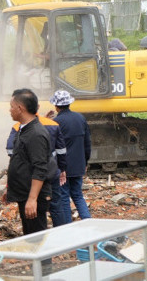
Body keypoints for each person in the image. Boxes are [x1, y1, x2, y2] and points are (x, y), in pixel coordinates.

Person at [6, 111, 67, 226]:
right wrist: (62, 168)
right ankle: (62, 236)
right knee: (56, 206)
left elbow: (10, 149)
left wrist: (21, 162)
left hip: (32, 177)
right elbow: (61, 150)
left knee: (35, 215)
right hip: (52, 172)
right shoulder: (52, 124)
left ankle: (38, 238)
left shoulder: (18, 127)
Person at [6, 88, 51, 235]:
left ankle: (42, 260)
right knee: (30, 237)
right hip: (24, 194)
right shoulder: (24, 129)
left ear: (20, 108)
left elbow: (40, 168)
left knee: (37, 238)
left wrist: (32, 199)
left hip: (32, 197)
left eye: (12, 107)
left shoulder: (36, 134)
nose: (10, 110)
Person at [51, 90, 92, 221]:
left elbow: (53, 147)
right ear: (69, 103)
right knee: (78, 195)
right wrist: (85, 162)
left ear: (56, 106)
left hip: (63, 167)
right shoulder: (80, 118)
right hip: (79, 165)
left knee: (64, 197)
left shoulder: (56, 122)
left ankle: (68, 226)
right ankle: (88, 222)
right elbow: (87, 143)